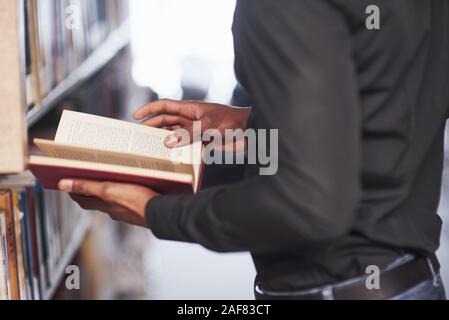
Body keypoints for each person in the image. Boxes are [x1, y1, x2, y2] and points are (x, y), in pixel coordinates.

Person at [58, 0, 449, 300]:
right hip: (413, 280)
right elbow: (387, 108)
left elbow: (309, 204)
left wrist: (153, 211)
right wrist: (256, 119)